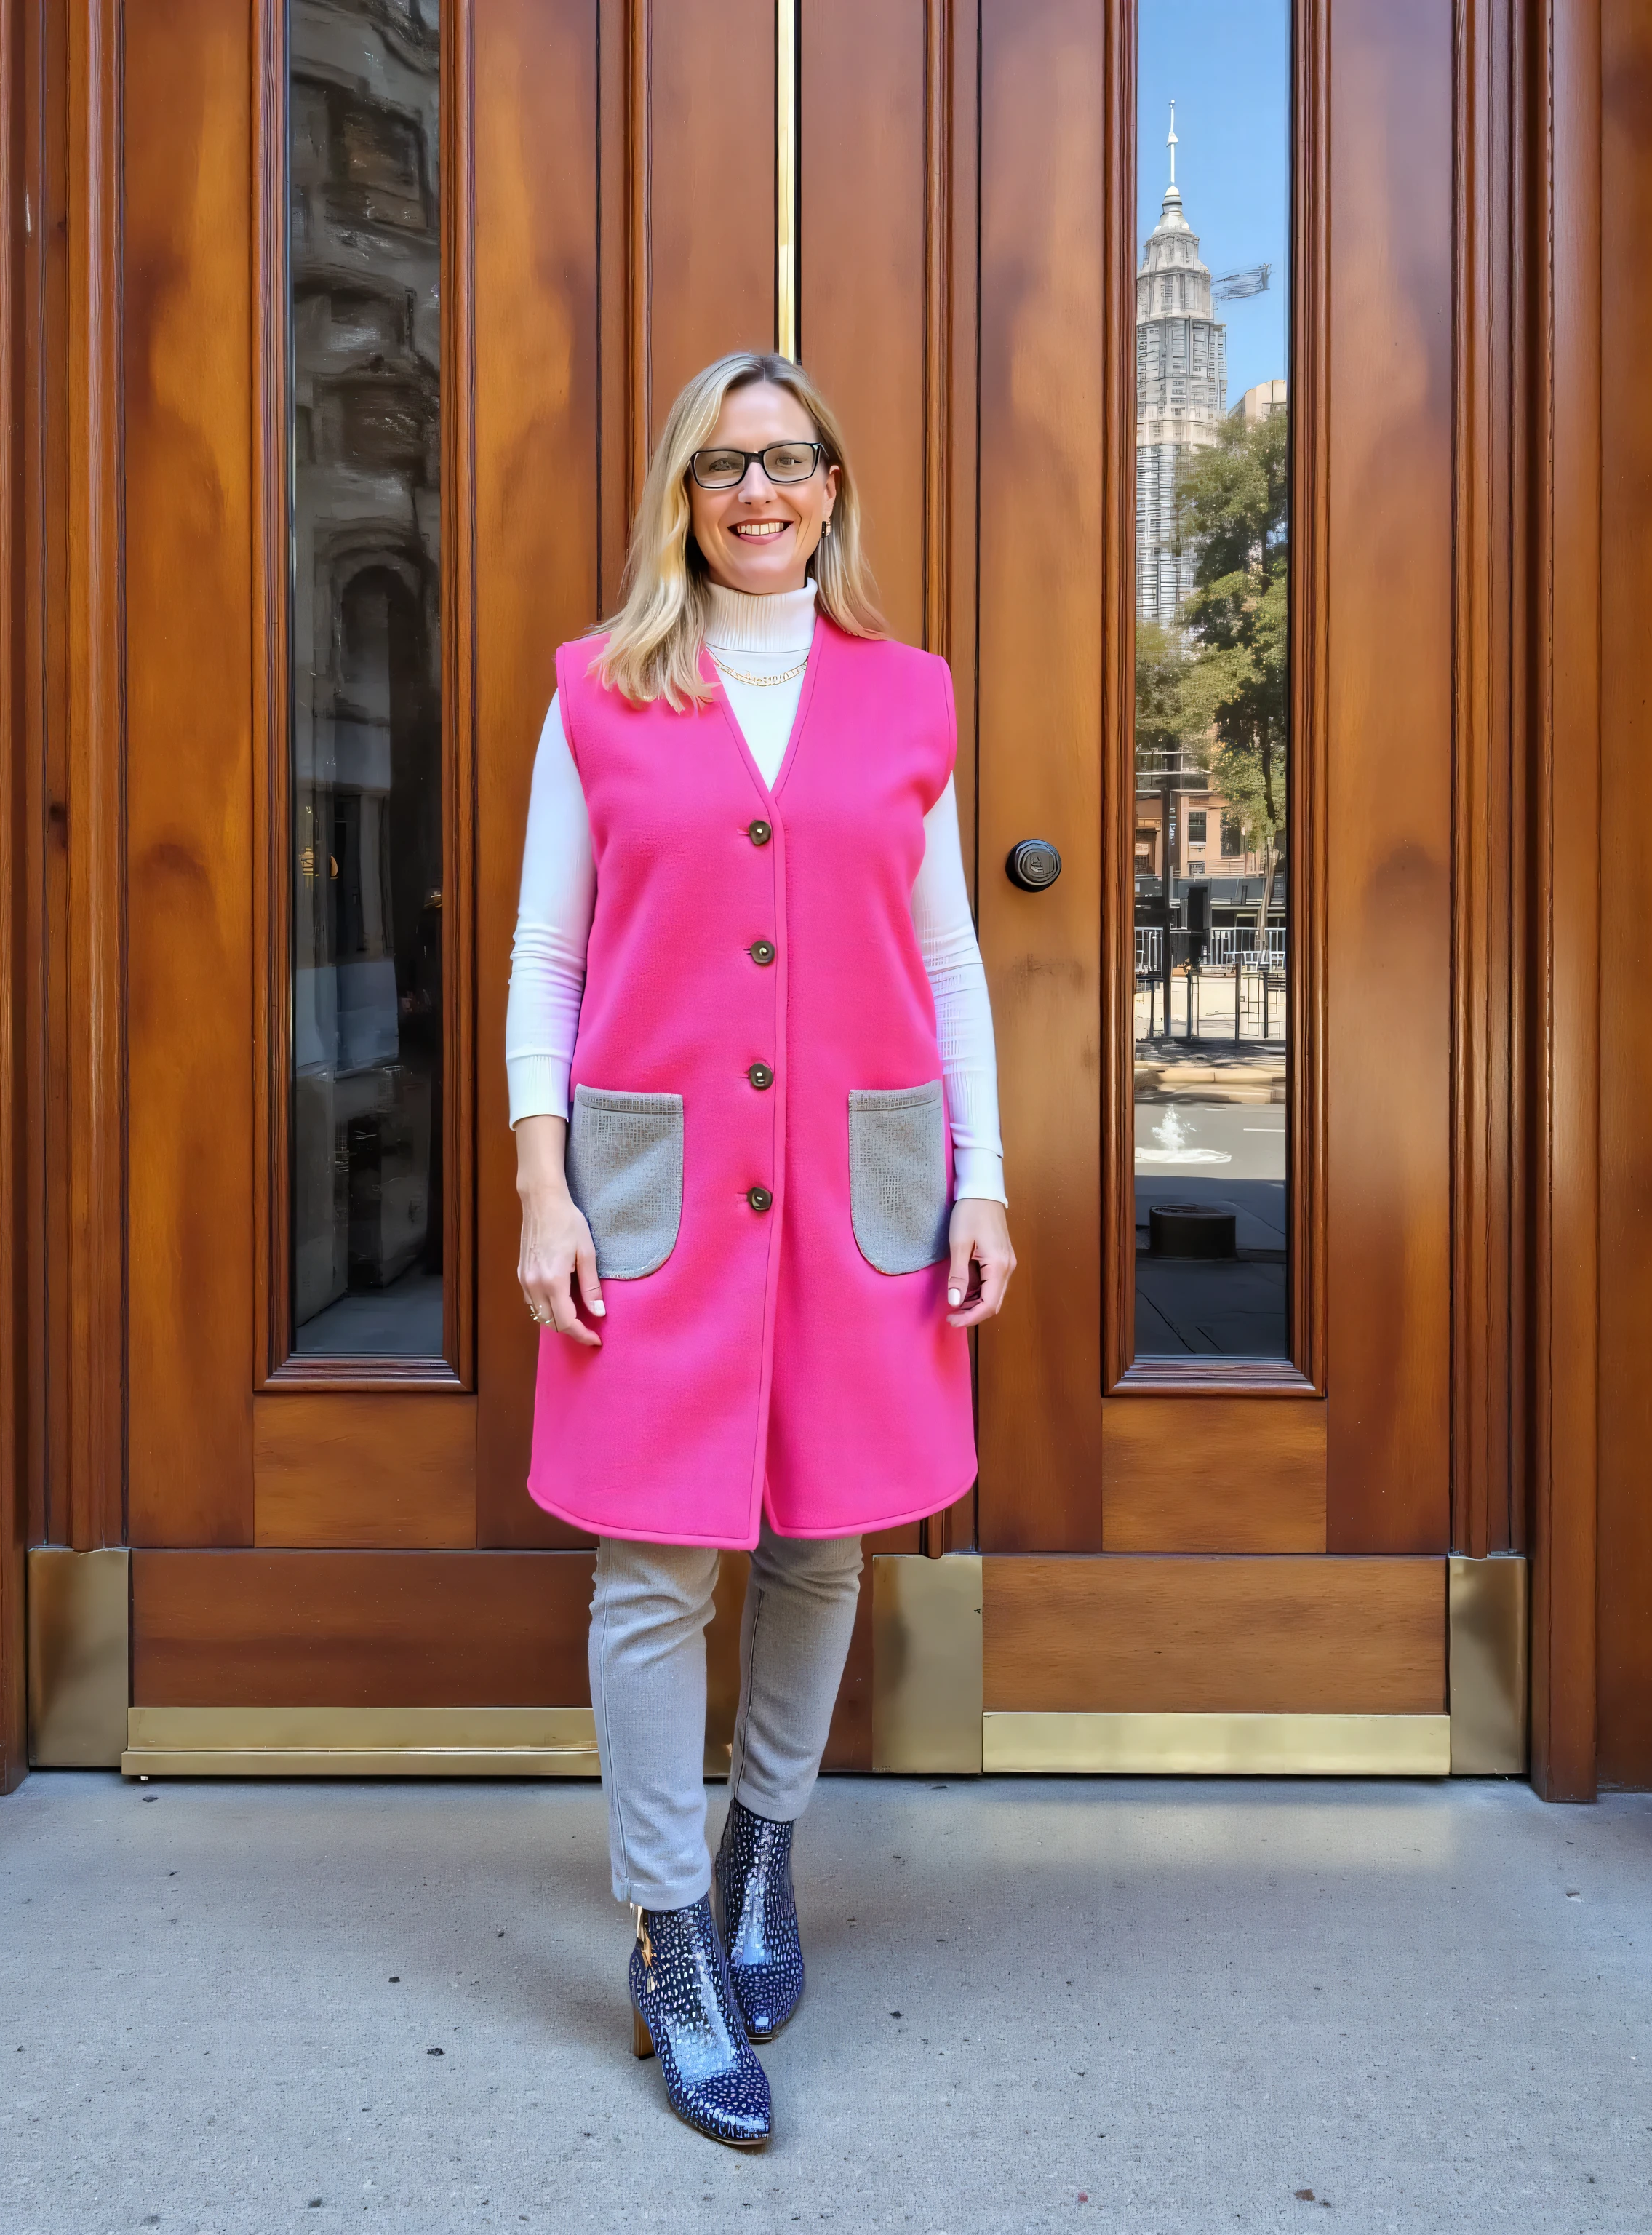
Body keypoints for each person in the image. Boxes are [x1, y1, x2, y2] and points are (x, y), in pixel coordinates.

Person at [505, 351, 1016, 2147]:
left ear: (831, 487)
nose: (761, 492)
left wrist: (987, 1179)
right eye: (728, 466)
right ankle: (665, 1931)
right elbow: (544, 963)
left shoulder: (909, 696)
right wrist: (543, 1184)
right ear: (684, 493)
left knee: (817, 1544)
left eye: (790, 461)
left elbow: (947, 959)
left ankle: (763, 1857)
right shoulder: (599, 689)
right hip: (653, 1194)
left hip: (861, 1185)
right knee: (652, 1576)